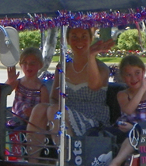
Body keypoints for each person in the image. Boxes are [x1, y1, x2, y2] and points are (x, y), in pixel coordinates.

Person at [25, 27, 114, 158]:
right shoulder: (63, 66)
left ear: (90, 39)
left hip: (92, 118)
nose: (79, 41)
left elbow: (95, 86)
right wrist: (53, 108)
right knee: (40, 109)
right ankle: (32, 163)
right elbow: (54, 98)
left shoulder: (101, 68)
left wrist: (91, 55)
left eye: (84, 36)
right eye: (74, 37)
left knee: (55, 112)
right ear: (67, 40)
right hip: (65, 113)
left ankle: (68, 161)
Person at [103, 55, 146, 166]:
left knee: (135, 134)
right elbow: (128, 110)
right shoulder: (122, 94)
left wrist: (142, 89)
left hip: (144, 132)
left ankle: (115, 164)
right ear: (123, 77)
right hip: (122, 129)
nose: (133, 78)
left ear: (144, 73)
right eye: (128, 75)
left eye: (137, 73)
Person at [5, 47, 49, 128]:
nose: (28, 66)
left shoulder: (42, 88)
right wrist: (10, 80)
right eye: (25, 63)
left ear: (40, 65)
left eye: (32, 63)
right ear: (21, 65)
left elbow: (45, 110)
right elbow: (4, 92)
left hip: (32, 124)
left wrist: (34, 111)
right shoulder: (18, 82)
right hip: (16, 120)